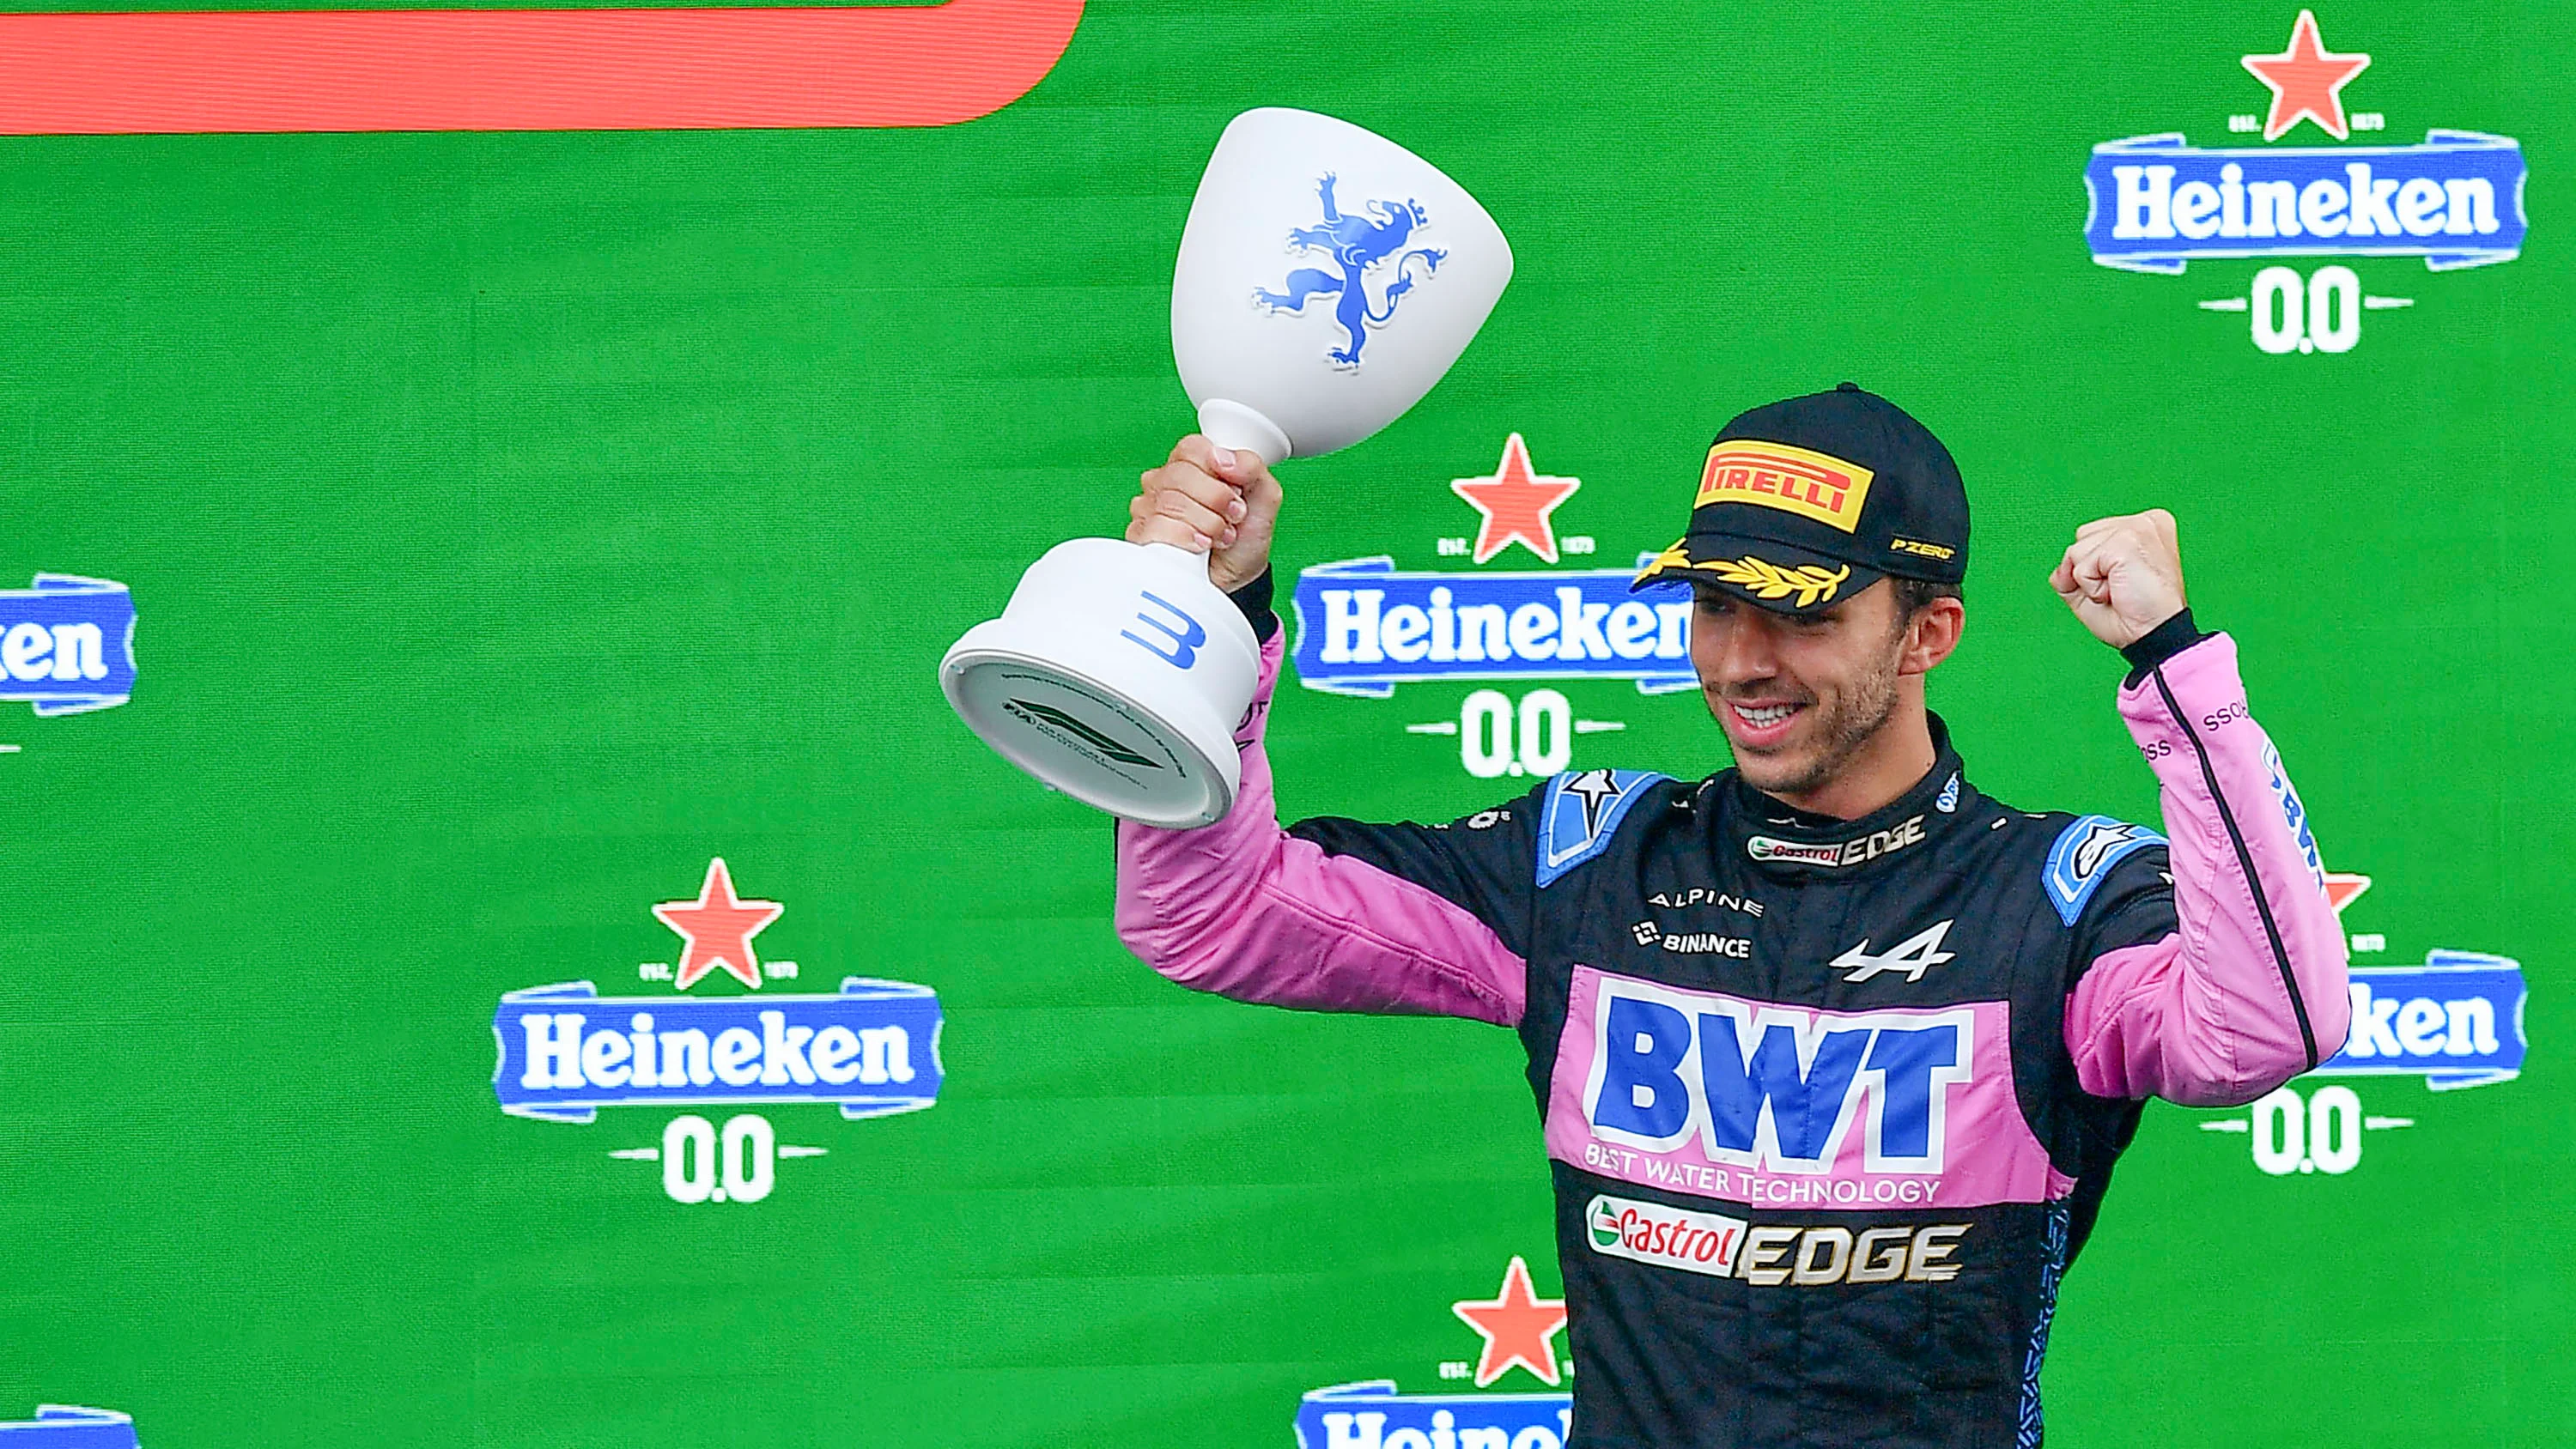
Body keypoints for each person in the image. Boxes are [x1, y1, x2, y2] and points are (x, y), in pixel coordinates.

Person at [1113, 384, 2349, 1449]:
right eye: (1714, 604)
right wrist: (1218, 620)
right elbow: (1213, 915)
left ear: (1930, 630)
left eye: (1802, 614)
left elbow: (2267, 1028)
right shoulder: (1589, 861)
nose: (1744, 660)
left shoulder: (2058, 897)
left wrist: (2175, 668)